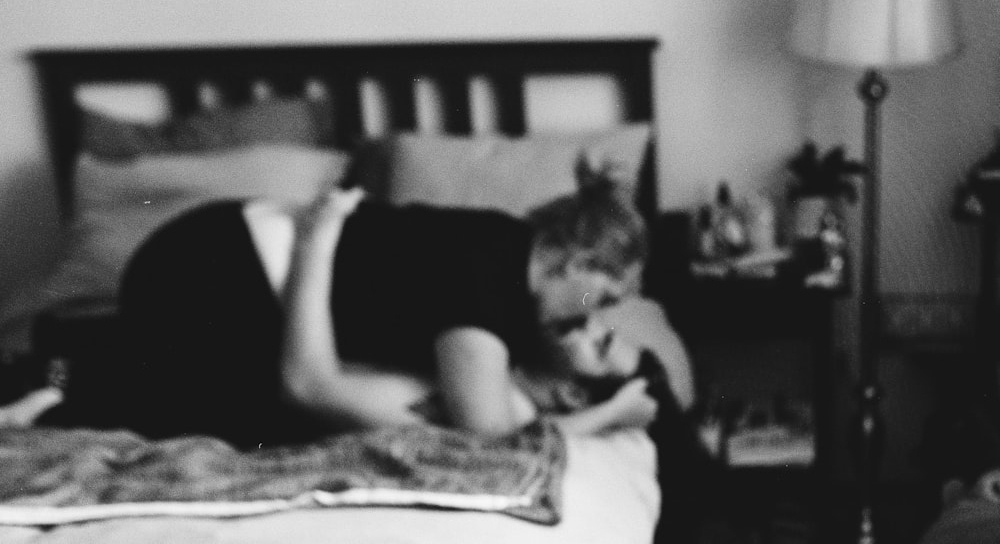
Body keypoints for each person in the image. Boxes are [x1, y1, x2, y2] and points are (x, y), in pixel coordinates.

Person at [28, 157, 689, 447]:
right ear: (576, 262)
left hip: (229, 271)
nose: (590, 317)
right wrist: (610, 413)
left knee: (247, 417)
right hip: (212, 263)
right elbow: (488, 431)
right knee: (248, 425)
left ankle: (66, 361)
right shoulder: (486, 270)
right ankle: (52, 370)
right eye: (599, 297)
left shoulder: (499, 260)